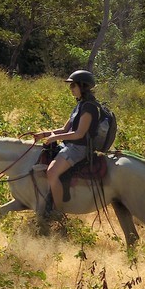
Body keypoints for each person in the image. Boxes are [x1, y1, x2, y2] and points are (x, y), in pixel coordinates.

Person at [29, 69, 100, 220]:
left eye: (73, 85)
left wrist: (55, 139)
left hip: (78, 148)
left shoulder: (89, 107)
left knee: (52, 172)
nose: (71, 89)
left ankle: (58, 212)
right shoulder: (80, 105)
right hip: (69, 145)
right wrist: (44, 134)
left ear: (83, 86)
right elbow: (64, 129)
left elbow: (79, 134)